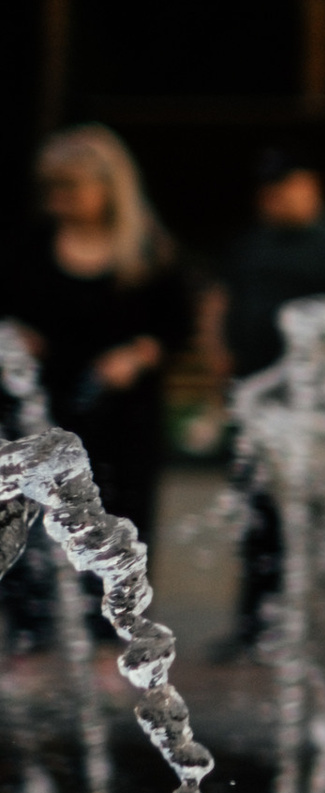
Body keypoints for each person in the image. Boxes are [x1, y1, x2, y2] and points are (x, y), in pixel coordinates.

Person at [1, 127, 193, 664]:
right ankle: (29, 641)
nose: (59, 199)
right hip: (43, 409)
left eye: (72, 187)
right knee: (25, 518)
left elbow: (177, 327)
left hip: (122, 412)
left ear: (109, 187)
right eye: (52, 188)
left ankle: (114, 641)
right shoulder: (29, 246)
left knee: (119, 523)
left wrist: (137, 355)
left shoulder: (149, 250)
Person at [206, 151, 325, 656]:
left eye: (287, 187)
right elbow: (220, 299)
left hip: (315, 404)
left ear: (310, 186)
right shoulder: (251, 243)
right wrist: (217, 360)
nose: (278, 199)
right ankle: (255, 624)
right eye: (269, 191)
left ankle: (320, 626)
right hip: (256, 401)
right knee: (257, 513)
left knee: (319, 518)